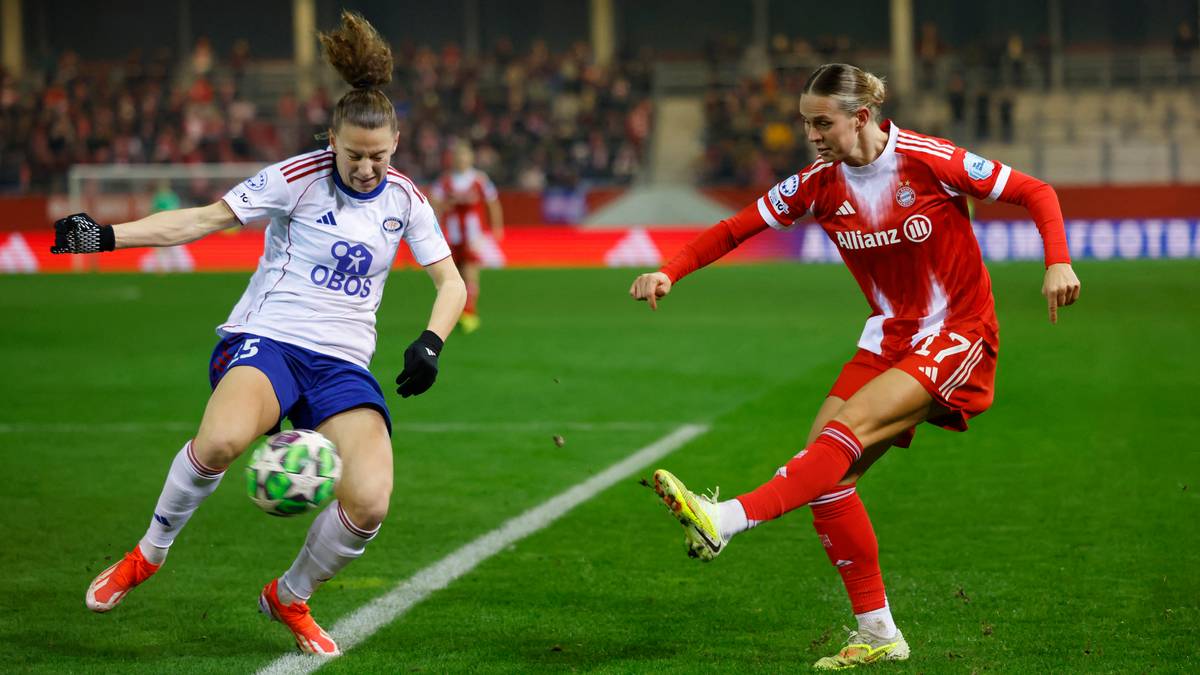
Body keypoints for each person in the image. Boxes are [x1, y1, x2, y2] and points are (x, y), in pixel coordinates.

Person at [629, 63, 1080, 670]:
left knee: (841, 439)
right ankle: (879, 634)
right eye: (805, 123)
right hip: (887, 338)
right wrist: (670, 270)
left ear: (861, 117)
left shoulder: (929, 160)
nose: (810, 134)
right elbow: (738, 228)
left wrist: (1057, 261)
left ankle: (724, 518)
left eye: (822, 122)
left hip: (956, 332)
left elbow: (1037, 191)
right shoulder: (817, 184)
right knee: (825, 472)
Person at [53, 12, 466, 656]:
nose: (366, 168)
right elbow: (201, 221)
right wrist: (103, 236)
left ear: (396, 144)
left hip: (343, 366)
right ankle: (147, 555)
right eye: (354, 154)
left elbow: (452, 284)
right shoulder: (296, 178)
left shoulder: (407, 200)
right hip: (270, 337)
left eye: (378, 155)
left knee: (371, 501)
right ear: (331, 140)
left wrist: (432, 342)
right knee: (218, 441)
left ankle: (290, 596)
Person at [429, 139, 504, 333]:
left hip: (473, 236)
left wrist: (497, 227)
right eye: (458, 156)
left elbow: (492, 203)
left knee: (470, 273)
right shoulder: (445, 181)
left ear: (470, 158)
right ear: (452, 159)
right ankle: (457, 312)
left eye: (464, 156)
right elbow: (433, 203)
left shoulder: (479, 179)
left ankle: (469, 313)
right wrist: (447, 207)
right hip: (452, 236)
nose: (461, 160)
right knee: (455, 277)